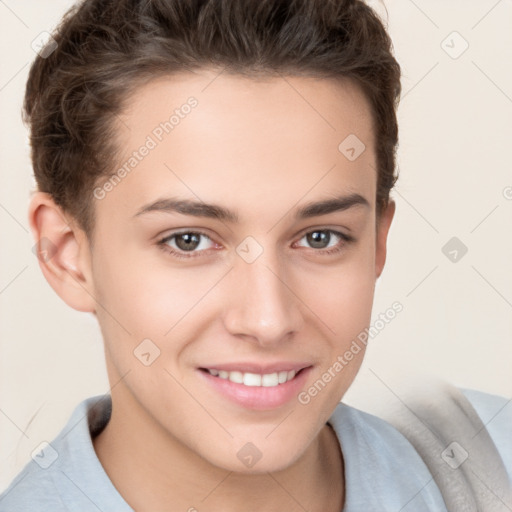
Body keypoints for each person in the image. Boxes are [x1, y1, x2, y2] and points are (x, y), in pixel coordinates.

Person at [0, 0, 510, 510]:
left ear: (377, 241)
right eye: (189, 240)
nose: (268, 320)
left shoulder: (491, 464)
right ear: (66, 254)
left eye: (320, 237)